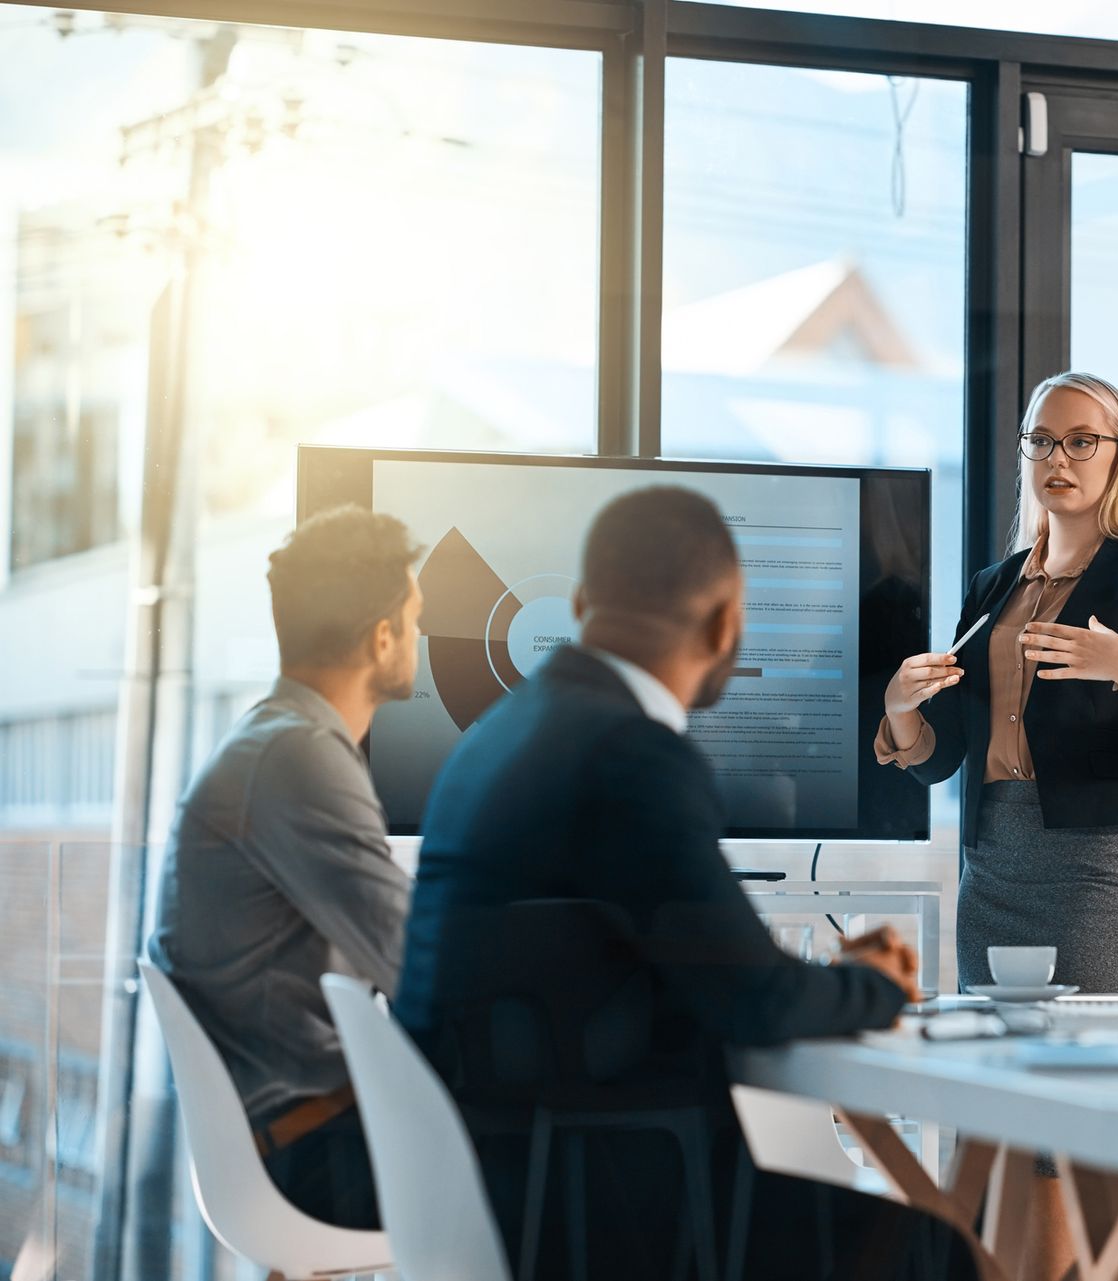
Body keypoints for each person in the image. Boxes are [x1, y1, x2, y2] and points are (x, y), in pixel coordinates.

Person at [397, 486, 977, 1281]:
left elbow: (683, 962)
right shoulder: (633, 757)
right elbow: (754, 1000)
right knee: (939, 1254)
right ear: (724, 626)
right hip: (631, 1210)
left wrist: (817, 977)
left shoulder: (497, 738)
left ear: (576, 604)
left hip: (499, 1187)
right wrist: (873, 986)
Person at [877, 371, 1118, 997]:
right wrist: (900, 708)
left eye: (1082, 441)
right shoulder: (992, 585)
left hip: (1093, 858)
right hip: (992, 858)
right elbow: (942, 757)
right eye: (1042, 440)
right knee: (996, 1055)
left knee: (1084, 1054)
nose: (1058, 458)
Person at [147, 505, 423, 1228]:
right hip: (314, 1149)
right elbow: (423, 966)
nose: (420, 639)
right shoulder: (300, 758)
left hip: (293, 1132)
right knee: (593, 1159)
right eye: (416, 621)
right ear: (382, 636)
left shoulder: (272, 741)